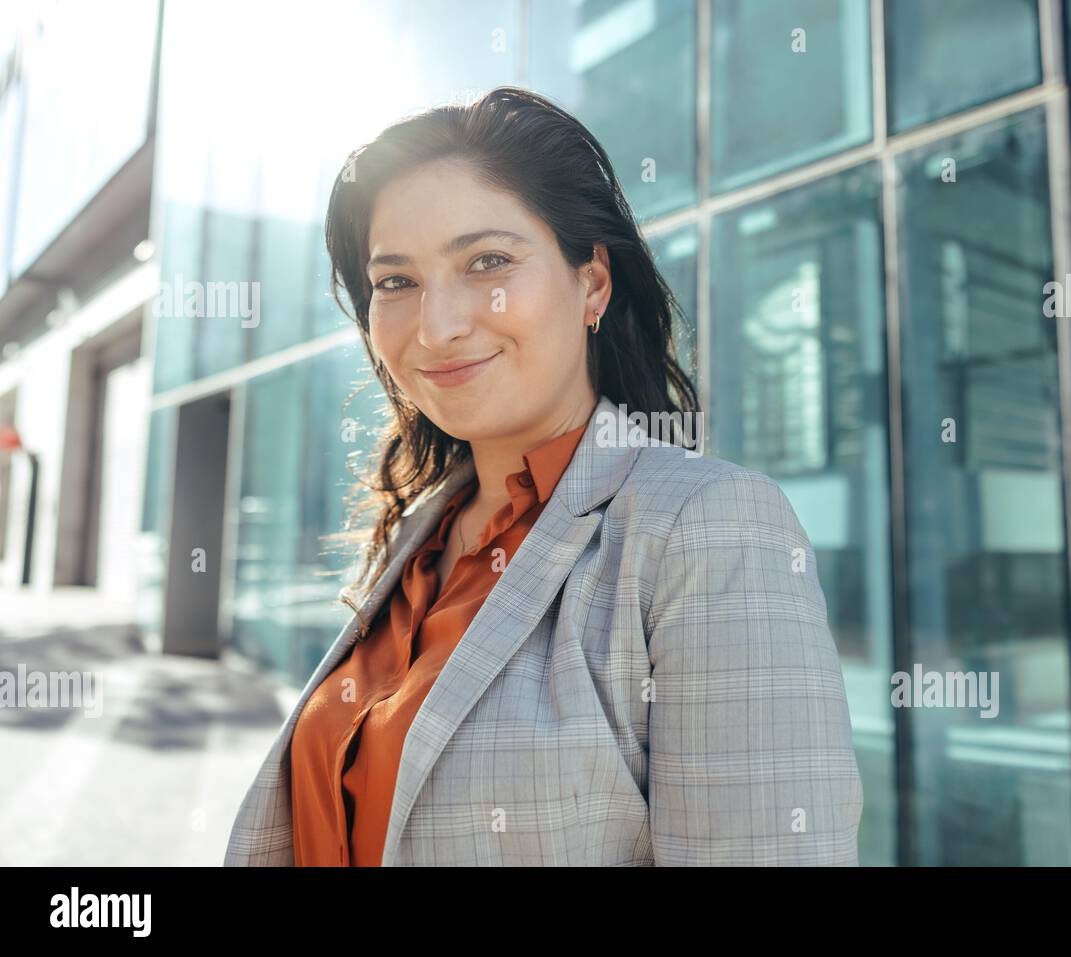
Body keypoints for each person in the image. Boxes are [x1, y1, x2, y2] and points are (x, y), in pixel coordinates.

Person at [224, 86, 862, 866]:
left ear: (592, 282)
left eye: (487, 261)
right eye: (396, 282)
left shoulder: (706, 527)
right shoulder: (421, 535)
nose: (438, 325)